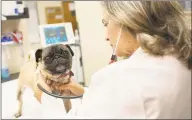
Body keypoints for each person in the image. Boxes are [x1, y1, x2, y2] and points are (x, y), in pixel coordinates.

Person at [38, 1, 191, 119]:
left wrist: (41, 89)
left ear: (127, 21)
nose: (106, 36)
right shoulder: (181, 58)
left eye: (106, 23)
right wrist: (86, 92)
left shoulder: (118, 78)